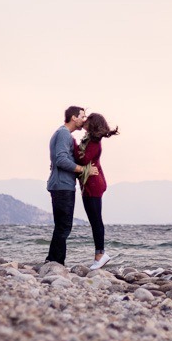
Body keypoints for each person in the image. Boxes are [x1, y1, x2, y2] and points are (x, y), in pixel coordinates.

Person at [45, 105, 92, 265]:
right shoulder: (64, 134)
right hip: (62, 186)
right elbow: (61, 159)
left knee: (61, 226)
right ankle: (54, 262)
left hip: (61, 184)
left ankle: (55, 261)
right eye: (82, 116)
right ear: (74, 117)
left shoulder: (61, 133)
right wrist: (84, 170)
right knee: (64, 226)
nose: (84, 120)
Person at [76, 112, 119, 270]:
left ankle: (100, 255)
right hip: (90, 183)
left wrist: (71, 146)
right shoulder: (89, 139)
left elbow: (83, 160)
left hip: (94, 184)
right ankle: (99, 255)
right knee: (94, 220)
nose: (84, 121)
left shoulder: (94, 142)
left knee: (96, 220)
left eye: (87, 119)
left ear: (92, 123)